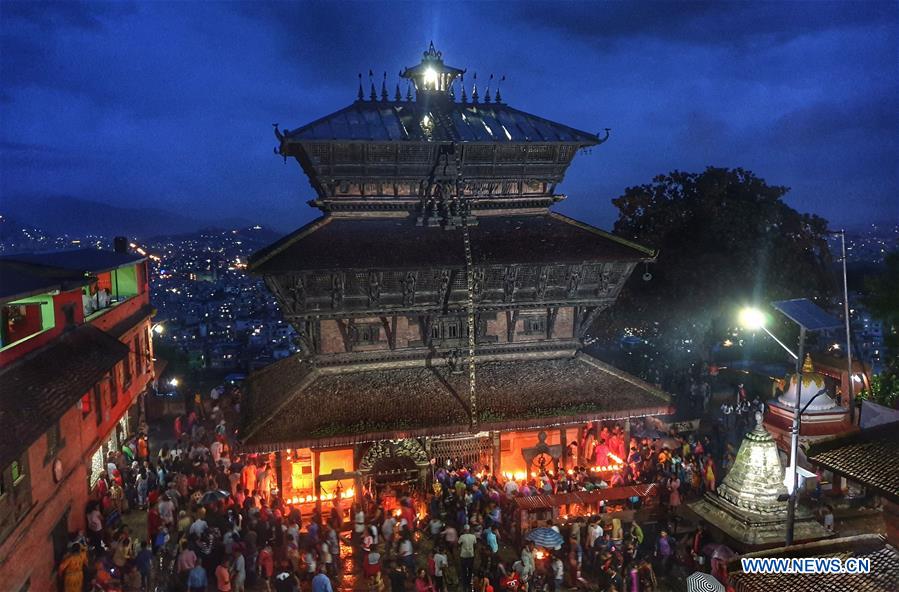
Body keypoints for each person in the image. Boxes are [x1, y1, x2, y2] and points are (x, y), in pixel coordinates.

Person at [459, 524, 478, 591]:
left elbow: (459, 544)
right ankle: (469, 582)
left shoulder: (462, 536)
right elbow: (475, 545)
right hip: (471, 555)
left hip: (463, 555)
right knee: (470, 569)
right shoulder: (473, 536)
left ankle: (464, 584)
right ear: (469, 530)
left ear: (464, 530)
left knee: (463, 570)